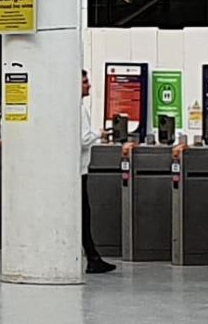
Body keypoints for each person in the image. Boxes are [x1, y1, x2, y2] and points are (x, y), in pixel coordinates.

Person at [81, 70, 116, 274]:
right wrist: (99, 134)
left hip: (76, 170)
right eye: (85, 82)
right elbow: (84, 138)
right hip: (79, 171)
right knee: (84, 214)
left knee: (83, 214)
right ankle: (92, 257)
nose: (89, 86)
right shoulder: (79, 109)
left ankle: (93, 256)